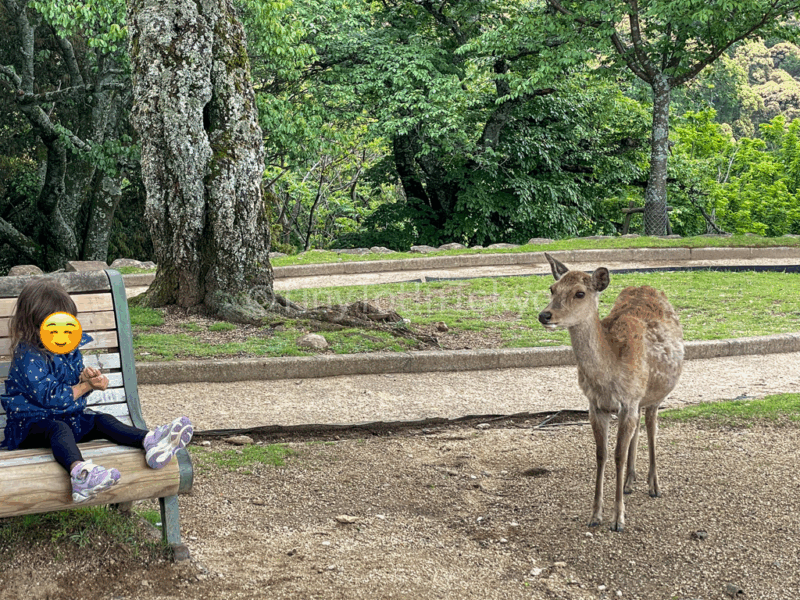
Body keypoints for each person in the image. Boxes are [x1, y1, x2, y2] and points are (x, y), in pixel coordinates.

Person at [0, 278, 193, 503]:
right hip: (28, 426)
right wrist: (85, 387)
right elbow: (51, 397)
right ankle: (80, 475)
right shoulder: (28, 355)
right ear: (35, 325)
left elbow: (72, 379)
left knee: (101, 420)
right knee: (59, 428)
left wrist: (86, 378)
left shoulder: (66, 347)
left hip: (65, 417)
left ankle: (151, 442)